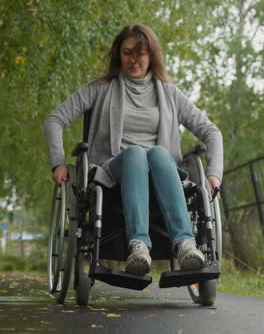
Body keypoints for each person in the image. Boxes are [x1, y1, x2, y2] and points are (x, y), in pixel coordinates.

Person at [44, 24, 223, 276]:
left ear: (151, 56)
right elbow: (54, 120)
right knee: (137, 153)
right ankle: (139, 246)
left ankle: (185, 244)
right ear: (119, 54)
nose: (133, 59)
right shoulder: (100, 88)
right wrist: (58, 161)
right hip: (113, 172)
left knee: (159, 153)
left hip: (163, 172)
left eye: (140, 53)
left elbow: (211, 132)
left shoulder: (170, 93)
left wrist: (214, 173)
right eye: (127, 52)